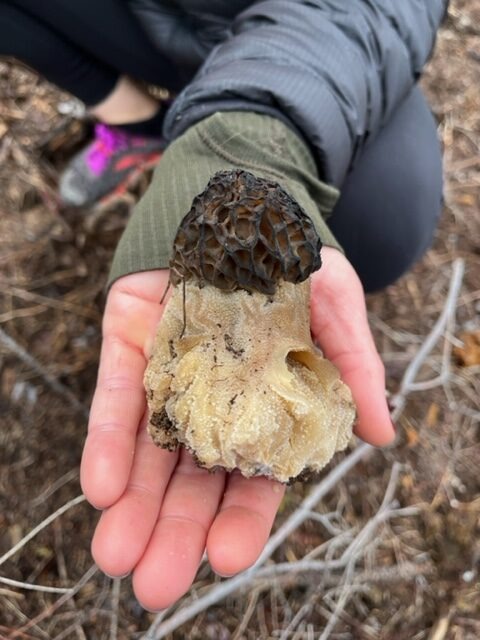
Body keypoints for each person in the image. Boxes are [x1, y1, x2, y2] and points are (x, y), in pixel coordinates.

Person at [2, 0, 448, 612]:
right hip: (149, 20)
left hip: (320, 36)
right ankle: (135, 122)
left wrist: (256, 122)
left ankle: (216, 106)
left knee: (385, 218)